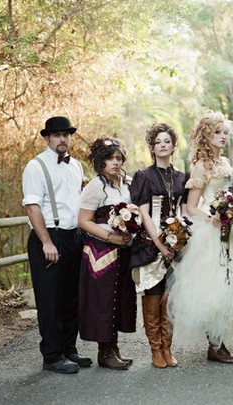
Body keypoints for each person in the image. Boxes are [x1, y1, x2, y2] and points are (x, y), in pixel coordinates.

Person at [167, 112, 233, 364]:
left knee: (232, 283)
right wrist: (213, 219)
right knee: (214, 285)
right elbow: (191, 206)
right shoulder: (201, 165)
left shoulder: (225, 162)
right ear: (206, 136)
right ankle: (216, 344)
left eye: (225, 132)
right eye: (218, 132)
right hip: (211, 230)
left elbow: (231, 193)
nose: (223, 137)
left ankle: (219, 341)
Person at [22, 116, 92, 374]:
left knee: (71, 296)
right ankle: (52, 355)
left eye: (66, 134)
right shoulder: (35, 166)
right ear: (47, 138)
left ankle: (68, 349)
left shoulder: (76, 166)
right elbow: (32, 206)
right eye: (57, 135)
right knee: (50, 299)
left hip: (73, 236)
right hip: (49, 237)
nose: (62, 139)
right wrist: (46, 241)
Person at [129, 123, 189, 368]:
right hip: (150, 245)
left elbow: (183, 211)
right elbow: (144, 214)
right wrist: (160, 244)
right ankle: (156, 349)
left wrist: (180, 237)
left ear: (174, 146)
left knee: (170, 299)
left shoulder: (181, 177)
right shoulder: (143, 176)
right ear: (152, 148)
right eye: (158, 142)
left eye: (167, 141)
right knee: (153, 297)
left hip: (175, 245)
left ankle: (168, 347)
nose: (162, 145)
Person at [78, 137, 137, 370]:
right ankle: (104, 351)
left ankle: (114, 348)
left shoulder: (126, 184)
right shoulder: (94, 187)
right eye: (110, 158)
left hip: (123, 250)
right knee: (103, 300)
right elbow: (83, 221)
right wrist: (111, 237)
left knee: (119, 297)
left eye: (119, 158)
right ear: (101, 161)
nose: (115, 162)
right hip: (101, 251)